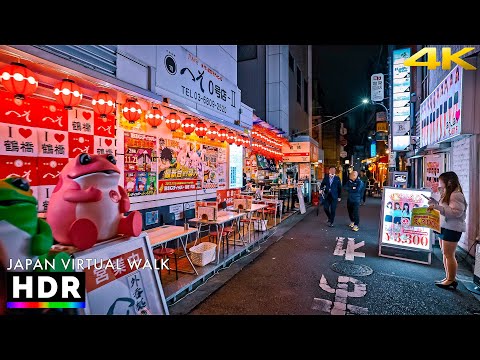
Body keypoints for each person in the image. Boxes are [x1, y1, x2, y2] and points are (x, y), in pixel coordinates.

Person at [428, 171, 467, 289]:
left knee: (449, 255)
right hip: (445, 226)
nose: (439, 183)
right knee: (445, 254)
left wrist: (437, 207)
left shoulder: (456, 195)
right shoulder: (448, 193)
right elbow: (445, 208)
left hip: (453, 228)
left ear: (448, 182)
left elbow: (456, 213)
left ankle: (451, 280)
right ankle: (448, 277)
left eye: (441, 181)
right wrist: (434, 203)